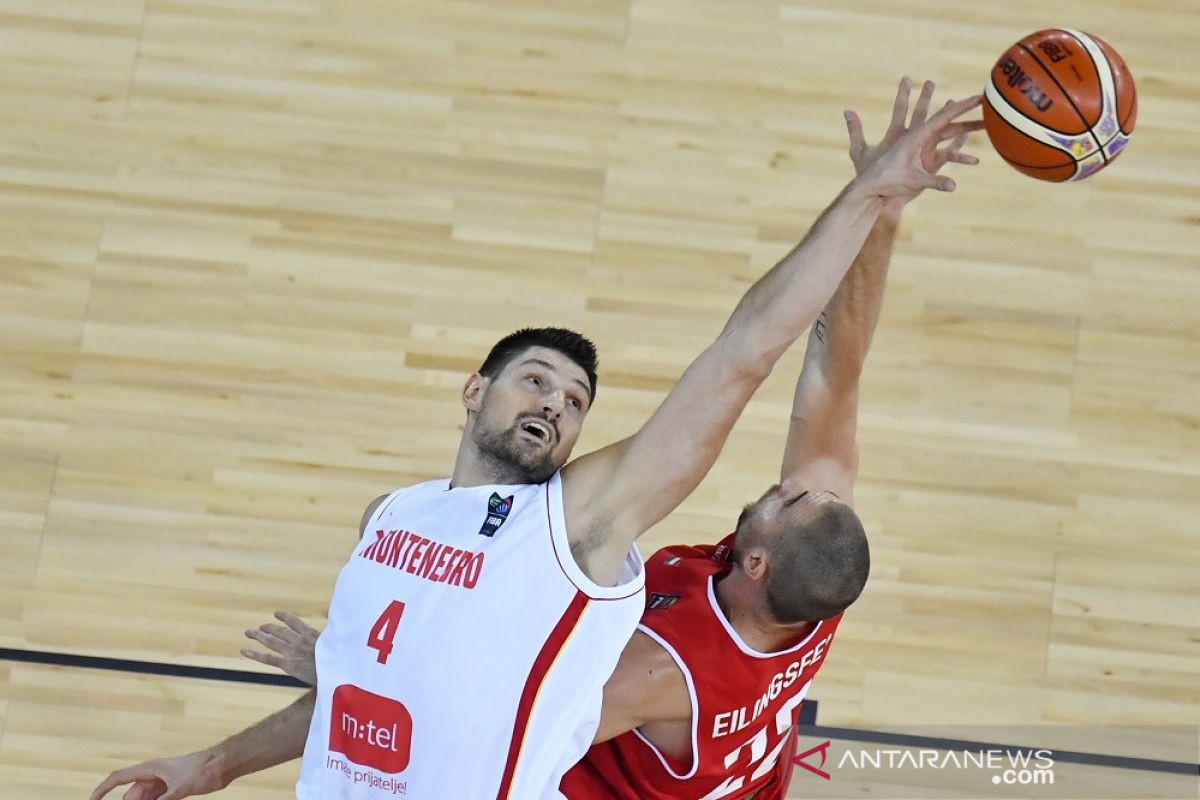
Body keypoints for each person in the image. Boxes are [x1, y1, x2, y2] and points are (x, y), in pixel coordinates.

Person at [90, 79, 981, 800]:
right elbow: (837, 382)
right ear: (473, 391)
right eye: (538, 381)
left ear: (756, 567)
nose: (557, 402)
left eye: (575, 398)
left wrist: (869, 191)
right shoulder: (395, 516)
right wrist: (217, 760)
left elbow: (742, 359)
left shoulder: (582, 547)